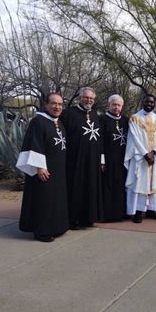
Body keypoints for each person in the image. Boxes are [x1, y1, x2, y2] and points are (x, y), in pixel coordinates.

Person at [16, 93, 69, 242]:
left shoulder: (58, 122)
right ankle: (42, 231)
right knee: (43, 200)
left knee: (55, 200)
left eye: (60, 104)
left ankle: (57, 227)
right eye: (53, 103)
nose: (57, 107)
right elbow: (34, 143)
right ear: (45, 105)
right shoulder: (38, 121)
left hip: (58, 169)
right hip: (44, 169)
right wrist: (39, 167)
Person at [60, 87, 103, 229]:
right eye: (86, 97)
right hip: (75, 160)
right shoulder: (68, 114)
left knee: (90, 188)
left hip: (93, 161)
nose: (88, 100)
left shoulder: (96, 115)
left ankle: (88, 217)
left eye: (91, 98)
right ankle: (73, 219)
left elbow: (100, 140)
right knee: (76, 189)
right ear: (80, 98)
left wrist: (102, 161)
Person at [125, 94, 156, 223]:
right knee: (140, 182)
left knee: (154, 182)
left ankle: (152, 210)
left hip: (155, 157)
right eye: (147, 102)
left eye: (152, 102)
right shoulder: (134, 118)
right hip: (140, 158)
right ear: (142, 102)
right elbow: (134, 138)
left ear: (154, 104)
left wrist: (154, 152)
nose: (149, 104)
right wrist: (145, 153)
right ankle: (138, 211)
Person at [100, 94, 128, 222]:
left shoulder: (125, 120)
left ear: (122, 107)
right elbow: (99, 142)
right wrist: (102, 161)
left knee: (121, 185)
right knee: (108, 186)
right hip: (108, 159)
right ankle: (108, 214)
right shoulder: (102, 120)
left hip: (122, 159)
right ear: (109, 105)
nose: (116, 107)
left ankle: (121, 213)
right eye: (114, 104)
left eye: (119, 105)